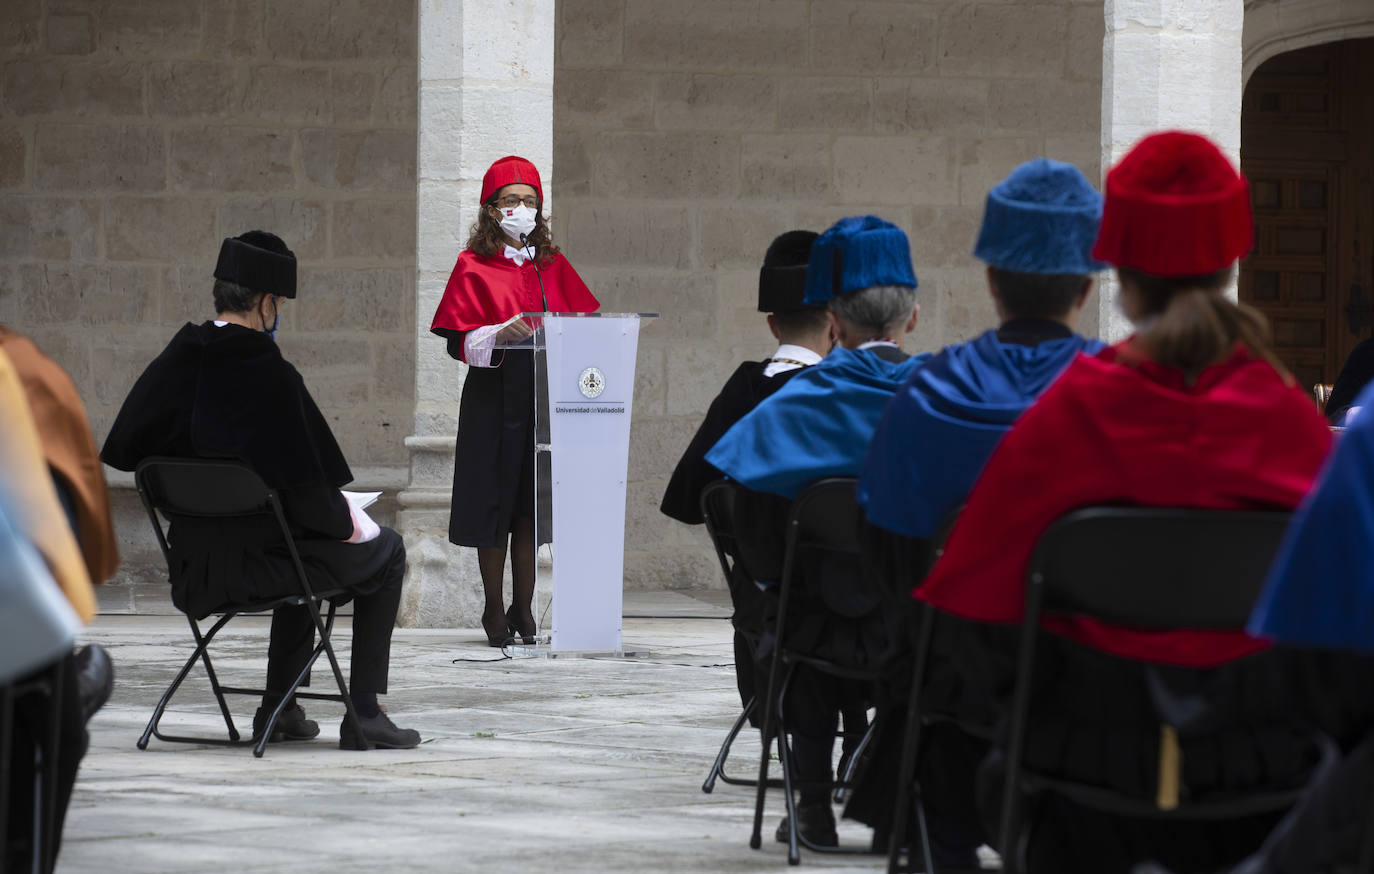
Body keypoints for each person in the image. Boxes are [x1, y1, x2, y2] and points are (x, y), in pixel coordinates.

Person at [915, 131, 1338, 873]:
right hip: (1266, 779)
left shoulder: (1065, 415)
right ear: (1230, 263)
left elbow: (969, 628)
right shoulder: (1294, 424)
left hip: (1082, 779)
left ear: (1121, 280)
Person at [844, 157, 1107, 868]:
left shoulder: (925, 394)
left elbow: (889, 558)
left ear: (991, 280)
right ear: (1087, 287)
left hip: (954, 704)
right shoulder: (1125, 403)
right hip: (1094, 715)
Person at [101, 230, 420, 751]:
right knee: (384, 551)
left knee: (295, 539)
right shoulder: (271, 376)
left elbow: (132, 457)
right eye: (281, 305)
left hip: (194, 570)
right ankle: (363, 712)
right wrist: (353, 523)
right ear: (268, 303)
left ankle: (281, 707)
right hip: (265, 570)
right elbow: (317, 504)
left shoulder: (176, 359)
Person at [706, 215, 924, 847]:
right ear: (912, 318)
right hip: (916, 626)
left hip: (813, 627)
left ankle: (811, 806)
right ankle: (896, 806)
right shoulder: (944, 396)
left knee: (796, 621)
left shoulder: (787, 407)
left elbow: (750, 527)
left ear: (834, 320)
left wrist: (786, 582)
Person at [429, 155, 599, 647]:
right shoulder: (472, 265)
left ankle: (523, 607)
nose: (520, 209)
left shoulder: (550, 265)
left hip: (541, 397)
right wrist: (499, 333)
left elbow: (584, 322)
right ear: (491, 210)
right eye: (510, 202)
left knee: (529, 505)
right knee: (493, 504)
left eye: (529, 201)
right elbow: (454, 340)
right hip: (492, 396)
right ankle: (491, 608)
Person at [660, 229, 831, 715]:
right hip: (848, 615)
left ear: (773, 325)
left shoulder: (744, 391)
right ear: (836, 325)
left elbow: (690, 494)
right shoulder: (844, 395)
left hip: (762, 615)